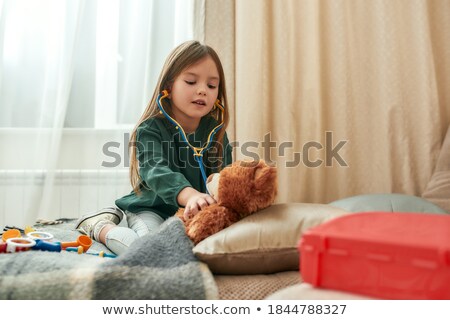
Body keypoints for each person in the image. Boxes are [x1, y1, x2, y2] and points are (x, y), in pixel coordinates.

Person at [75, 40, 232, 255]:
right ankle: (100, 226)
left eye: (212, 85)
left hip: (191, 215)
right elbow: (156, 171)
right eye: (191, 81)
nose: (202, 90)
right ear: (168, 86)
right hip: (151, 208)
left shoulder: (216, 131)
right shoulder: (150, 129)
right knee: (151, 251)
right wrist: (191, 195)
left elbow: (225, 177)